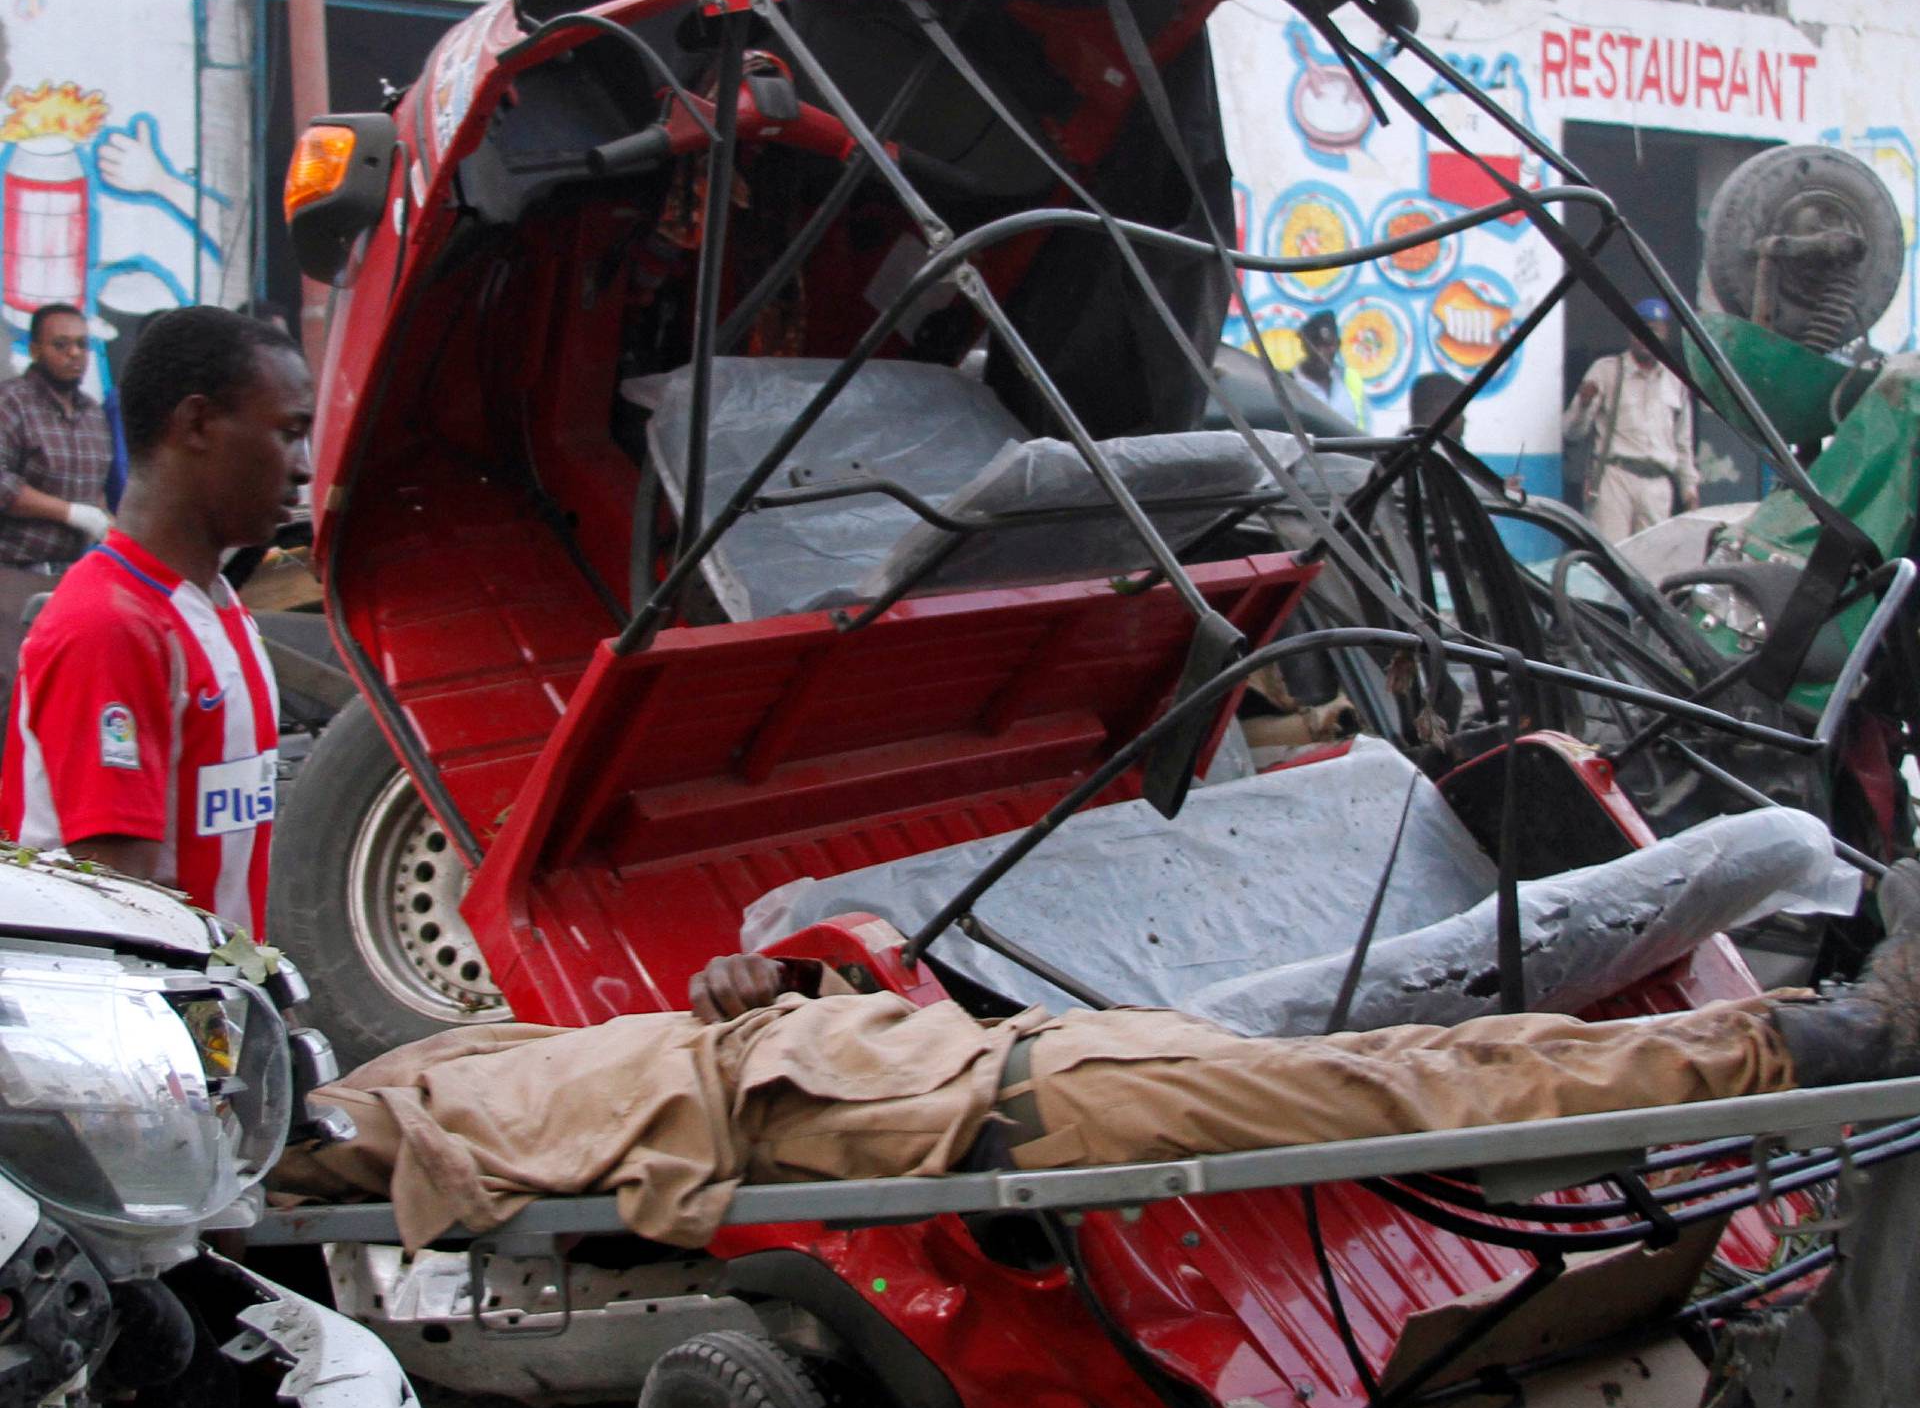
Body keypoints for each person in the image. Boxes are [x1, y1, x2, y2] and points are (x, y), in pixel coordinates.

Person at [276, 873, 1920, 1254]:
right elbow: (363, 1158)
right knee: (1422, 1087)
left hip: (1021, 1057)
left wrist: (751, 993)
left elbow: (680, 1069)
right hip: (1019, 1103)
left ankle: (1801, 1030)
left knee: (1420, 1057)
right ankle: (1816, 1035)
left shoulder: (462, 1051)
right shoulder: (406, 1119)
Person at [0, 306, 314, 935]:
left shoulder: (217, 606)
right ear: (197, 423)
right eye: (288, 432)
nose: (304, 464)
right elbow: (124, 916)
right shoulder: (112, 625)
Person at [0, 303, 114, 684]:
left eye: (82, 345)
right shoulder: (11, 401)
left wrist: (103, 524)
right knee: (13, 690)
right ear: (34, 350)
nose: (74, 355)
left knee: (66, 686)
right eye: (61, 345)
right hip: (14, 575)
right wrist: (70, 514)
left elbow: (94, 489)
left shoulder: (93, 412)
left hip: (73, 579)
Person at [1563, 300, 1700, 543]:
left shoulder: (1675, 380)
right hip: (1615, 479)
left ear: (1665, 333)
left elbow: (1683, 444)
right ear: (1630, 333)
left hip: (1658, 485)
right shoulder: (1606, 370)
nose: (1647, 337)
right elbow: (1572, 432)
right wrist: (1583, 405)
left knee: (1651, 561)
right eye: (1642, 329)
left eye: (1655, 330)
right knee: (1610, 557)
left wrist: (1689, 491)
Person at [1295, 309, 1368, 429]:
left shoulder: (1351, 380)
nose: (1322, 352)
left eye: (1329, 345)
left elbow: (1366, 431)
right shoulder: (1288, 383)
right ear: (1304, 345)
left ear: (1338, 345)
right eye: (1317, 344)